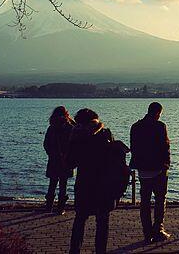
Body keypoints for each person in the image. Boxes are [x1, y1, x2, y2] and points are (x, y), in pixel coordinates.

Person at [67, 108, 122, 254]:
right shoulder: (106, 134)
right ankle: (100, 251)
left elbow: (70, 162)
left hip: (85, 184)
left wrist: (72, 141)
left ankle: (74, 250)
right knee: (102, 222)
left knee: (80, 220)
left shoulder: (78, 137)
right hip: (105, 184)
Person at [129, 101, 171, 243]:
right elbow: (165, 147)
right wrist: (166, 165)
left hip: (142, 170)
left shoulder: (135, 127)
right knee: (160, 200)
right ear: (158, 113)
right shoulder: (160, 126)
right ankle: (158, 229)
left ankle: (147, 232)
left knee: (145, 202)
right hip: (158, 169)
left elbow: (133, 147)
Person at [43, 105, 75, 214]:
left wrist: (51, 154)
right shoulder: (70, 127)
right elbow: (73, 144)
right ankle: (61, 208)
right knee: (63, 185)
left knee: (52, 183)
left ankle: (48, 207)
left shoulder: (51, 127)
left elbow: (46, 144)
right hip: (66, 161)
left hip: (53, 160)